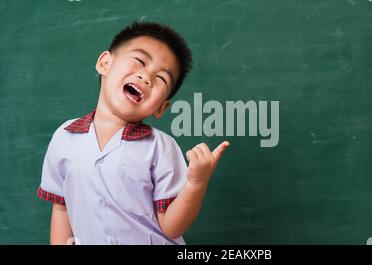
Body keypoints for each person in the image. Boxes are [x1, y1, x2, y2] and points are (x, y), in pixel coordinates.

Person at [37, 21, 229, 245]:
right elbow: (61, 207)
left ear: (161, 108)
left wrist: (196, 183)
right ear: (105, 63)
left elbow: (173, 226)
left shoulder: (161, 148)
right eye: (139, 61)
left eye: (161, 79)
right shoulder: (65, 137)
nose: (146, 77)